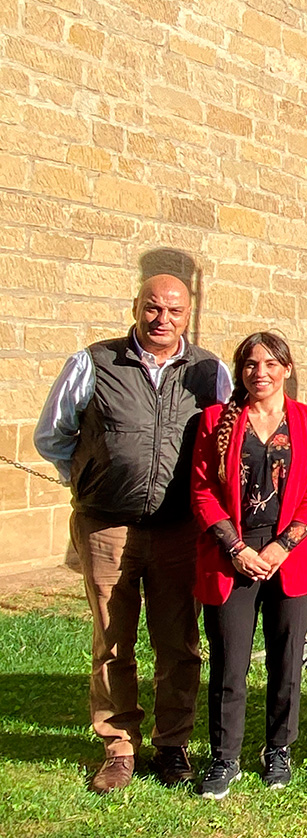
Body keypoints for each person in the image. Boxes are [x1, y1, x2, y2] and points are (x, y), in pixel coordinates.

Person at [35, 274, 232, 794]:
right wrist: (89, 478)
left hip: (178, 528)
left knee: (179, 643)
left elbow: (227, 440)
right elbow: (52, 435)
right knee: (112, 641)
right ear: (137, 308)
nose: (162, 318)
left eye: (174, 309)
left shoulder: (210, 371)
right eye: (152, 308)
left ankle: (173, 746)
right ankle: (119, 746)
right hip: (106, 525)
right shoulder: (94, 362)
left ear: (188, 314)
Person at [189, 333, 307, 799]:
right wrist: (236, 548)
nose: (260, 373)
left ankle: (278, 749)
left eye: (271, 364)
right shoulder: (216, 420)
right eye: (251, 365)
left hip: (291, 553)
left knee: (286, 660)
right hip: (233, 553)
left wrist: (280, 548)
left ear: (287, 368)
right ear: (240, 371)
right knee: (230, 662)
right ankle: (225, 757)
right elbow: (202, 492)